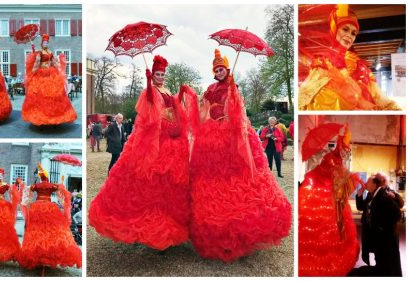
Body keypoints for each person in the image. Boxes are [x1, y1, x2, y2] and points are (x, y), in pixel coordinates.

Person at [183, 49, 291, 262]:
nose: (220, 72)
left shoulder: (234, 87)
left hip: (231, 135)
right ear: (214, 71)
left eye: (222, 68)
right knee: (212, 181)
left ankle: (242, 231)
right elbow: (201, 109)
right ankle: (213, 230)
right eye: (217, 69)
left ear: (227, 70)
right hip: (212, 136)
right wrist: (194, 96)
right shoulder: (211, 88)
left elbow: (238, 113)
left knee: (238, 180)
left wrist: (233, 94)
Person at [88, 55, 191, 251]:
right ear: (153, 75)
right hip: (157, 141)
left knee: (170, 184)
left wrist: (181, 94)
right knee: (151, 181)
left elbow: (173, 106)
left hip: (172, 141)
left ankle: (171, 226)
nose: (160, 77)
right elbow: (152, 103)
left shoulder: (167, 90)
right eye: (157, 74)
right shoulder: (150, 90)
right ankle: (149, 229)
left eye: (162, 74)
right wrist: (147, 81)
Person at [299, 5, 400, 110]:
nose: (349, 36)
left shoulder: (360, 67)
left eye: (353, 33)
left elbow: (378, 97)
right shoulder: (322, 64)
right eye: (345, 29)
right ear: (335, 30)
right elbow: (308, 99)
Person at [299, 124, 361, 276]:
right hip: (324, 189)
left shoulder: (332, 156)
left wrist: (343, 137)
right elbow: (333, 169)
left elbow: (340, 156)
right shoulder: (326, 159)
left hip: (330, 189)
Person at [19, 163, 81, 272]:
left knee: (36, 231)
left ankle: (39, 255)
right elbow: (62, 195)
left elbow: (27, 193)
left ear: (41, 177)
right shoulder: (52, 185)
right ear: (47, 177)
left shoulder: (36, 185)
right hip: (50, 207)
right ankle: (47, 255)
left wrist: (26, 200)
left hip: (36, 208)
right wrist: (62, 187)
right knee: (52, 231)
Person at [22, 34, 77, 125]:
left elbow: (54, 62)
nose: (45, 44)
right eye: (44, 42)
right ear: (41, 44)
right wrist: (32, 73)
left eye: (47, 42)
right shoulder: (39, 53)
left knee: (54, 94)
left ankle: (54, 117)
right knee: (41, 95)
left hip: (50, 74)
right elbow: (37, 63)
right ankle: (41, 117)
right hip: (41, 74)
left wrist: (60, 69)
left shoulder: (50, 52)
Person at [359, 174, 402, 276]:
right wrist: (359, 194)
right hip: (377, 235)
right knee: (380, 258)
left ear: (376, 183)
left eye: (368, 182)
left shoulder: (385, 193)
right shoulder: (373, 194)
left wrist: (382, 227)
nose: (365, 184)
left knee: (387, 262)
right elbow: (362, 207)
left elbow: (397, 213)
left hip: (385, 236)